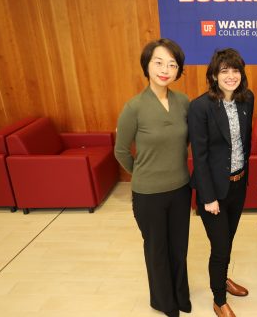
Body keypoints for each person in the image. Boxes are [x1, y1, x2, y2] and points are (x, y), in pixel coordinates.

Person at [114, 38, 191, 317]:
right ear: (146, 66)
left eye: (172, 64)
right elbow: (121, 151)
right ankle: (163, 301)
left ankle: (181, 295)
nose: (165, 69)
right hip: (148, 194)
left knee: (179, 247)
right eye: (158, 62)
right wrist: (142, 173)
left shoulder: (183, 102)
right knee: (157, 250)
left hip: (181, 189)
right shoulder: (133, 107)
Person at [188, 48, 254, 317]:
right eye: (224, 70)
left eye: (235, 70)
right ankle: (218, 298)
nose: (230, 75)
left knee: (228, 239)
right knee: (220, 246)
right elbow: (199, 157)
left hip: (237, 185)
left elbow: (245, 142)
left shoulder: (246, 99)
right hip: (213, 191)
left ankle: (223, 278)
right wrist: (208, 197)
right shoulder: (200, 107)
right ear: (214, 75)